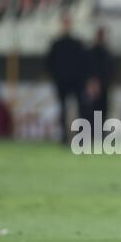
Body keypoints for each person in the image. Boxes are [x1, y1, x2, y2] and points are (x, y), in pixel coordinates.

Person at [45, 13, 88, 144]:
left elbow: (84, 63)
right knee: (63, 109)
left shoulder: (77, 43)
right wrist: (56, 77)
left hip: (76, 82)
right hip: (62, 81)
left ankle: (81, 137)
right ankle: (64, 136)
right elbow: (50, 63)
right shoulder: (57, 44)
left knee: (80, 109)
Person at [85, 27, 115, 124]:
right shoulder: (91, 53)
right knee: (91, 112)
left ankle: (100, 133)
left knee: (103, 111)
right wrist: (91, 83)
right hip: (93, 87)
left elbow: (111, 70)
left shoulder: (107, 53)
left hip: (104, 86)